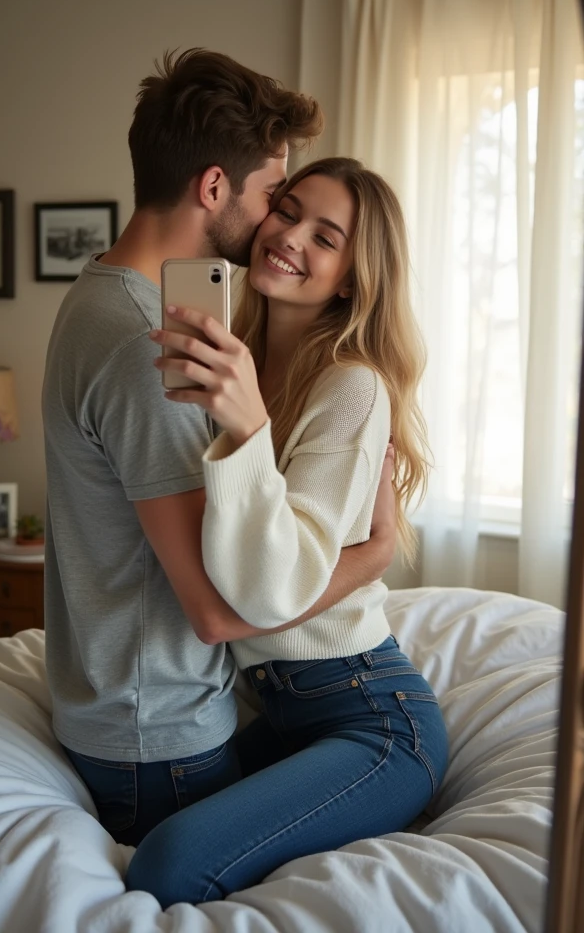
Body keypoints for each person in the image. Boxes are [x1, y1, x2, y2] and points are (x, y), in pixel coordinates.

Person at [42, 52, 398, 848]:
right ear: (213, 188)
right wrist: (373, 555)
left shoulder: (97, 293)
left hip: (133, 712)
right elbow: (215, 612)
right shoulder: (149, 346)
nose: (276, 224)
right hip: (157, 729)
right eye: (276, 195)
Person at [126, 157, 449, 905]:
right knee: (150, 822)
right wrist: (367, 556)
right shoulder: (232, 362)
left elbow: (270, 589)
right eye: (288, 209)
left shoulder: (352, 385)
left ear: (350, 277)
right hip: (276, 704)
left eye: (325, 235)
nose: (290, 236)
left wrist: (248, 434)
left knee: (167, 866)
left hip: (373, 719)